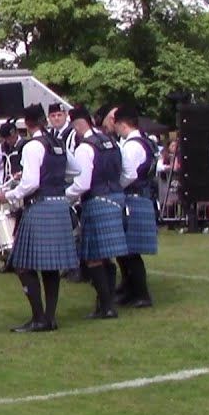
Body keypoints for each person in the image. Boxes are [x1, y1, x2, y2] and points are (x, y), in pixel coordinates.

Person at [0, 104, 78, 333]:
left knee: (22, 264)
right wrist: (53, 177)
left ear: (27, 123)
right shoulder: (58, 142)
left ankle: (38, 317)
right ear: (44, 119)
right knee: (50, 267)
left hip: (40, 205)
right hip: (59, 205)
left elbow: (31, 183)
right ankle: (49, 318)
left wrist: (10, 195)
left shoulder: (33, 146)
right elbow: (76, 171)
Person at [66, 106, 128, 319]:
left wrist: (65, 197)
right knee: (106, 256)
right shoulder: (111, 141)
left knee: (93, 257)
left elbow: (82, 184)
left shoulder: (85, 148)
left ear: (77, 125)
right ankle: (105, 304)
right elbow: (125, 172)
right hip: (117, 198)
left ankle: (107, 306)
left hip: (96, 201)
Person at [116, 106, 158, 308]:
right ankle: (131, 290)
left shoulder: (132, 146)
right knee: (127, 250)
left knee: (130, 250)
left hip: (133, 197)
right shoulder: (146, 141)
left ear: (122, 124)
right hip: (141, 196)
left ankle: (141, 294)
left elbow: (129, 174)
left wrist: (115, 187)